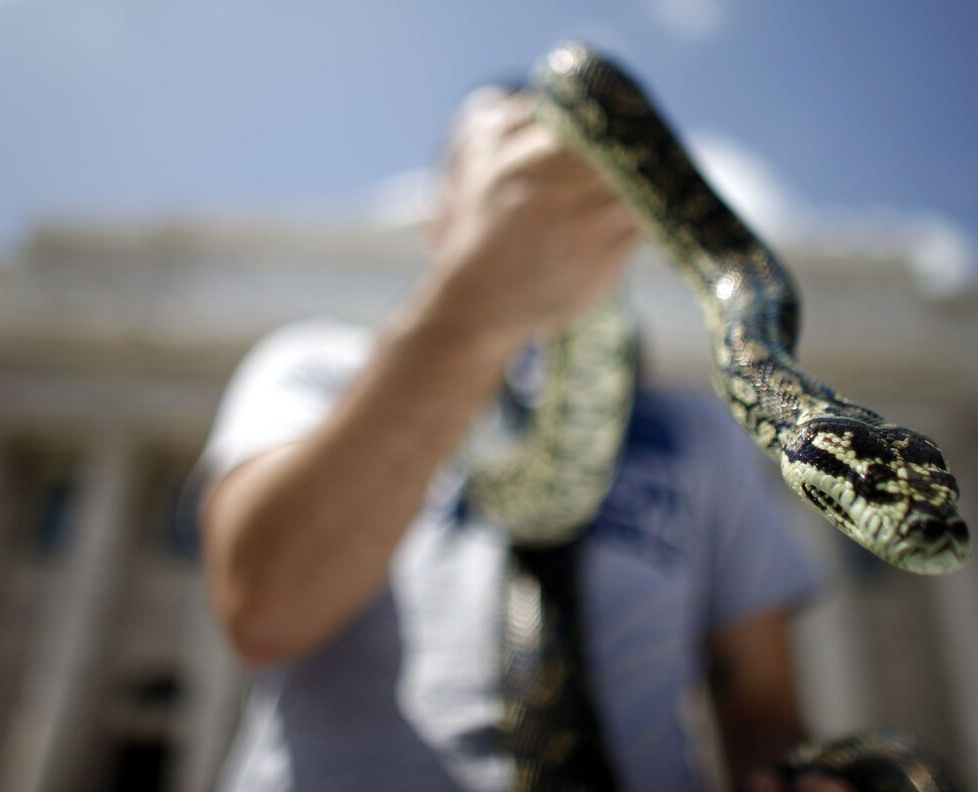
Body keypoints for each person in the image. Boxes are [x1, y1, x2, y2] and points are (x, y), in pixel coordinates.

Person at [196, 86, 851, 791]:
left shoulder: (695, 434)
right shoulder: (316, 373)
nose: (548, 170)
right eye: (507, 151)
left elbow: (760, 708)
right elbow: (264, 609)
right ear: (439, 212)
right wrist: (478, 300)